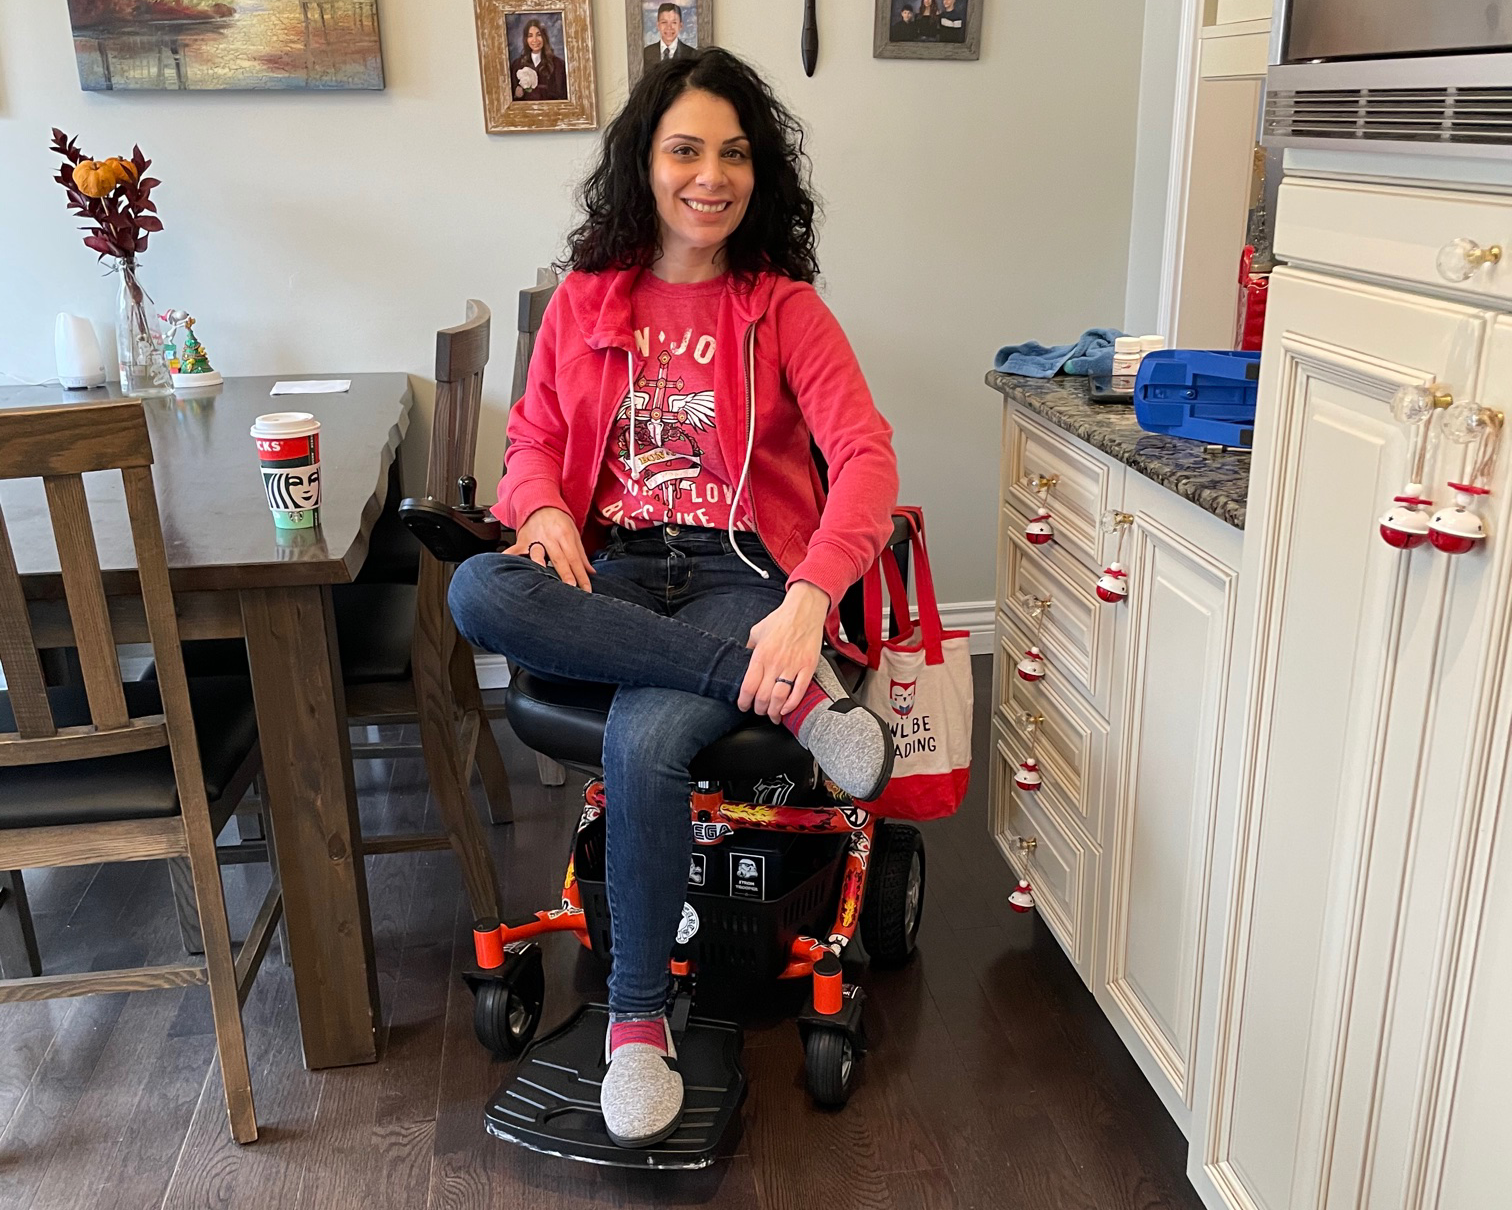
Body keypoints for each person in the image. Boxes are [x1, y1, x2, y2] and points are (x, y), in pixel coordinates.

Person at [448, 48, 899, 1150]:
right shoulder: (587, 300)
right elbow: (532, 441)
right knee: (474, 584)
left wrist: (804, 600)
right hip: (614, 574)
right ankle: (794, 698)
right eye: (686, 149)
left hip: (742, 574)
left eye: (735, 154)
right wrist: (542, 506)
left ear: (761, 175)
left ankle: (637, 1024)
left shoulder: (784, 311)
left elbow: (869, 461)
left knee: (645, 741)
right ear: (643, 165)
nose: (712, 175)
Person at [509, 17, 568, 101]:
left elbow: (563, 96)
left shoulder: (558, 65)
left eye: (538, 35)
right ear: (526, 39)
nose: (535, 40)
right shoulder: (517, 65)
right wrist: (517, 94)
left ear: (544, 37)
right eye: (530, 36)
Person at [643, 3, 697, 69]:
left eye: (674, 22)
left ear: (680, 25)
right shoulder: (646, 53)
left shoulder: (692, 55)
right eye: (664, 22)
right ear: (658, 25)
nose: (669, 27)